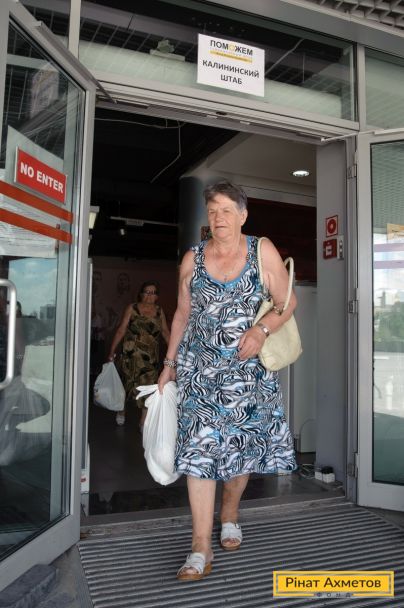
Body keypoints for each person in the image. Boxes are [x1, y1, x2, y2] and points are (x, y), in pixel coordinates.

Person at [158, 180, 297, 582]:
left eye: (226, 210)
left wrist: (261, 331)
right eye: (212, 210)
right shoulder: (193, 258)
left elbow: (288, 302)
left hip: (247, 375)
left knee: (240, 451)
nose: (218, 218)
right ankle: (200, 545)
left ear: (242, 215)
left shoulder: (261, 250)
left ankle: (230, 513)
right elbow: (182, 314)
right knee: (199, 454)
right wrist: (169, 364)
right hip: (200, 373)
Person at [108, 281, 170, 428]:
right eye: (147, 292)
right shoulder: (132, 308)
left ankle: (143, 421)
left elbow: (165, 332)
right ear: (141, 294)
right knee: (125, 385)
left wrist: (174, 354)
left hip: (150, 359)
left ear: (157, 296)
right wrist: (112, 350)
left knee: (148, 388)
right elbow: (121, 329)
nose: (150, 295)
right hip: (130, 356)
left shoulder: (159, 311)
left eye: (153, 293)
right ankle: (121, 411)